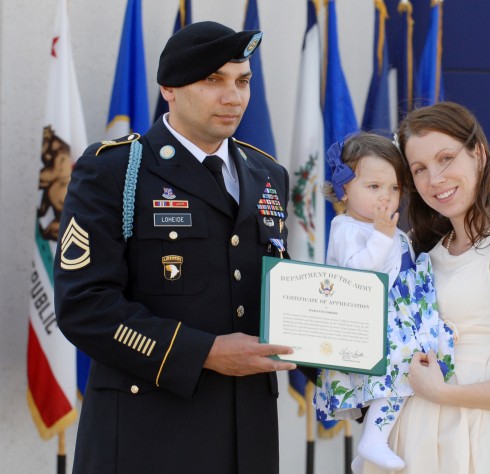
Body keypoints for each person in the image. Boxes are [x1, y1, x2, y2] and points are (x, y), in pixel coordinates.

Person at [54, 21, 297, 474]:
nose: (234, 97)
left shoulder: (268, 175)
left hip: (249, 437)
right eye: (213, 80)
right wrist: (204, 352)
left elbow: (279, 296)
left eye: (242, 81)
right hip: (148, 436)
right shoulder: (114, 171)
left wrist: (341, 352)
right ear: (168, 87)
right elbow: (84, 306)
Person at [360, 102, 490, 474]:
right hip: (404, 440)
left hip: (472, 444)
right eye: (420, 169)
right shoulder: (419, 250)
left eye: (446, 158)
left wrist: (443, 393)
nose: (435, 178)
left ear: (479, 155)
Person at [314, 133, 456, 472]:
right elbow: (356, 274)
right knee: (402, 377)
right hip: (374, 322)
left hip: (399, 316)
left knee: (405, 378)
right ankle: (373, 439)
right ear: (345, 189)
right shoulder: (347, 228)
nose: (386, 198)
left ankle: (371, 446)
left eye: (393, 189)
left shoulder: (383, 227)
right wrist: (381, 236)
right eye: (374, 187)